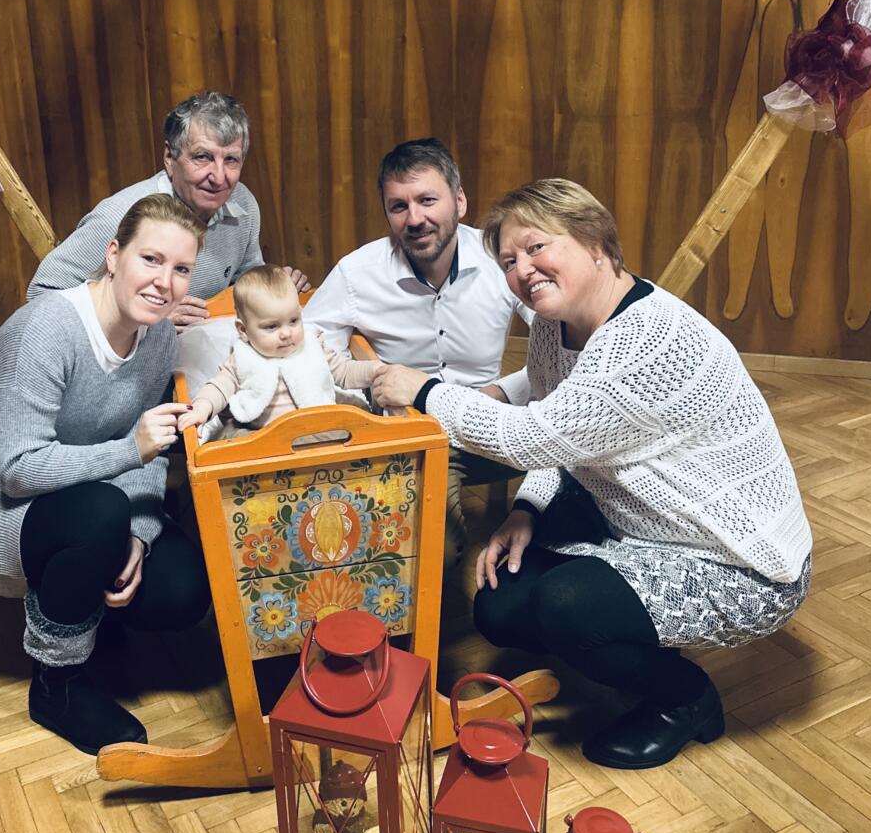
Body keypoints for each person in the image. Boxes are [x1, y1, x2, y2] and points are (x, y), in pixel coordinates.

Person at [372, 178, 812, 770]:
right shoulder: (556, 323)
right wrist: (527, 510)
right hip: (634, 517)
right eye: (509, 260)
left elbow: (531, 437)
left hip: (736, 557)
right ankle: (627, 638)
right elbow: (557, 420)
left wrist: (422, 390)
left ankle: (683, 699)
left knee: (566, 607)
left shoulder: (647, 343)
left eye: (537, 247)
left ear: (597, 243)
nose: (523, 270)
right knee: (499, 608)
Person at [0, 193, 213, 755]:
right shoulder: (47, 329)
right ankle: (56, 683)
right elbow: (17, 469)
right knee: (99, 514)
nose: (165, 282)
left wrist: (139, 536)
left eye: (181, 269)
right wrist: (128, 453)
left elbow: (149, 447)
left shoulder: (158, 334)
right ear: (113, 255)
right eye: (151, 259)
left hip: (84, 494)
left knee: (182, 589)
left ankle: (89, 606)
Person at [304, 138, 533, 565]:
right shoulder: (357, 273)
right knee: (431, 556)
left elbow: (565, 341)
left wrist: (503, 391)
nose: (414, 219)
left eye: (427, 200)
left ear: (459, 201)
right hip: (414, 437)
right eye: (398, 206)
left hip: (497, 422)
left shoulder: (500, 258)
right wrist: (370, 397)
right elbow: (307, 350)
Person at [28, 91, 310, 326]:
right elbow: (41, 296)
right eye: (203, 157)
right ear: (169, 158)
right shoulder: (120, 216)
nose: (219, 177)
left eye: (231, 160)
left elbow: (244, 284)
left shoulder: (242, 203)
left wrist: (273, 286)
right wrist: (149, 319)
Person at [179, 266, 377, 441]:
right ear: (244, 330)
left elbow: (345, 371)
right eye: (272, 326)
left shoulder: (313, 346)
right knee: (231, 441)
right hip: (261, 436)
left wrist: (376, 371)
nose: (286, 333)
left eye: (293, 321)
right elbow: (219, 387)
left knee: (354, 424)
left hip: (318, 427)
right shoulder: (242, 358)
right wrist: (202, 407)